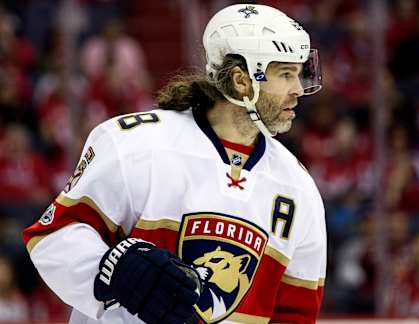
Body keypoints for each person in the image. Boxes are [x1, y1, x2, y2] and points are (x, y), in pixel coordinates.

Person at [23, 4, 327, 324]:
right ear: (241, 80)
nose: (297, 90)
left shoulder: (298, 187)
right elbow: (52, 239)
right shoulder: (135, 143)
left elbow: (295, 313)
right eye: (285, 74)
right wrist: (113, 272)